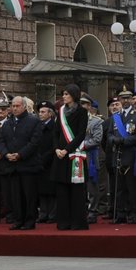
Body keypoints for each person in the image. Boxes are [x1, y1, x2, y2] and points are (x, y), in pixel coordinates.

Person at [0, 96, 44, 229]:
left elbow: (34, 142)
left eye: (17, 106)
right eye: (13, 106)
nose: (15, 108)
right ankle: (18, 220)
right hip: (12, 166)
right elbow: (1, 141)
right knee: (15, 196)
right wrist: (6, 154)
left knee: (28, 196)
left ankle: (29, 221)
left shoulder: (33, 121)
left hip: (28, 165)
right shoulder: (7, 123)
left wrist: (20, 155)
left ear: (23, 106)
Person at [49, 84, 92, 231]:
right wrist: (56, 149)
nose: (64, 96)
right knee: (62, 191)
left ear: (74, 95)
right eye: (63, 94)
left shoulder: (81, 112)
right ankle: (63, 222)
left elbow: (81, 135)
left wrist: (66, 150)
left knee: (76, 191)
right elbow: (55, 133)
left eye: (67, 94)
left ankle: (77, 222)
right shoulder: (60, 111)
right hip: (60, 156)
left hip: (74, 155)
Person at [108, 91, 136, 224]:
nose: (125, 100)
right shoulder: (115, 117)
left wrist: (123, 141)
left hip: (131, 156)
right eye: (122, 98)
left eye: (128, 98)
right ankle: (120, 213)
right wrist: (114, 140)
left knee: (132, 187)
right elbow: (109, 134)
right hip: (118, 155)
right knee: (119, 188)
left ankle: (134, 213)